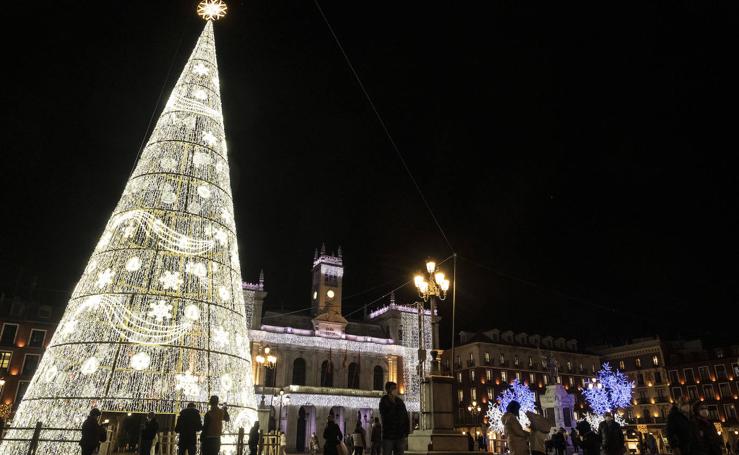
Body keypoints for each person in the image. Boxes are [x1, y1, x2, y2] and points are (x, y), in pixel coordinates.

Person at [379, 381, 410, 455]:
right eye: (393, 388)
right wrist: (392, 404)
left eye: (395, 388)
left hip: (400, 435)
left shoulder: (400, 402)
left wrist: (406, 432)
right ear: (388, 390)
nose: (395, 390)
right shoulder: (384, 401)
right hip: (388, 436)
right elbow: (385, 417)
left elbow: (405, 417)